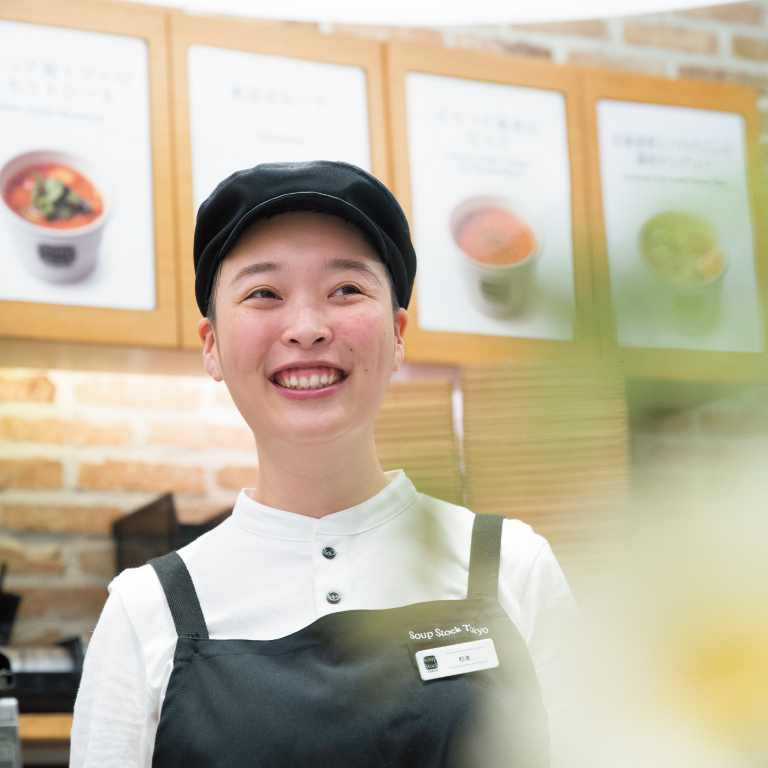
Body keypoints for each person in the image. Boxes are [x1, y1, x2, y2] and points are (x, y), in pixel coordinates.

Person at [70, 161, 579, 768]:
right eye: (264, 293)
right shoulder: (146, 609)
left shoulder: (510, 567)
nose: (307, 329)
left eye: (346, 290)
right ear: (212, 345)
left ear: (397, 335)